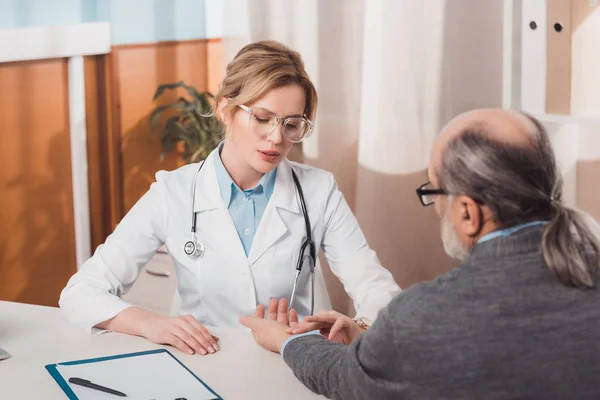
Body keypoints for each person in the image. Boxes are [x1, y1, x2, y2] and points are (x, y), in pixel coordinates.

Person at [59, 41, 400, 356]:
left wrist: (360, 327)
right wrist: (153, 324)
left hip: (293, 362)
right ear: (226, 109)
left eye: (292, 125)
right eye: (263, 119)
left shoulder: (318, 191)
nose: (276, 138)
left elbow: (377, 287)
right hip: (204, 364)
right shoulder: (173, 192)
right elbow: (81, 293)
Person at [240, 109, 600, 400]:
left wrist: (288, 340)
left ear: (467, 213)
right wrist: (371, 340)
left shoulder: (425, 318)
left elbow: (344, 379)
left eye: (433, 191)